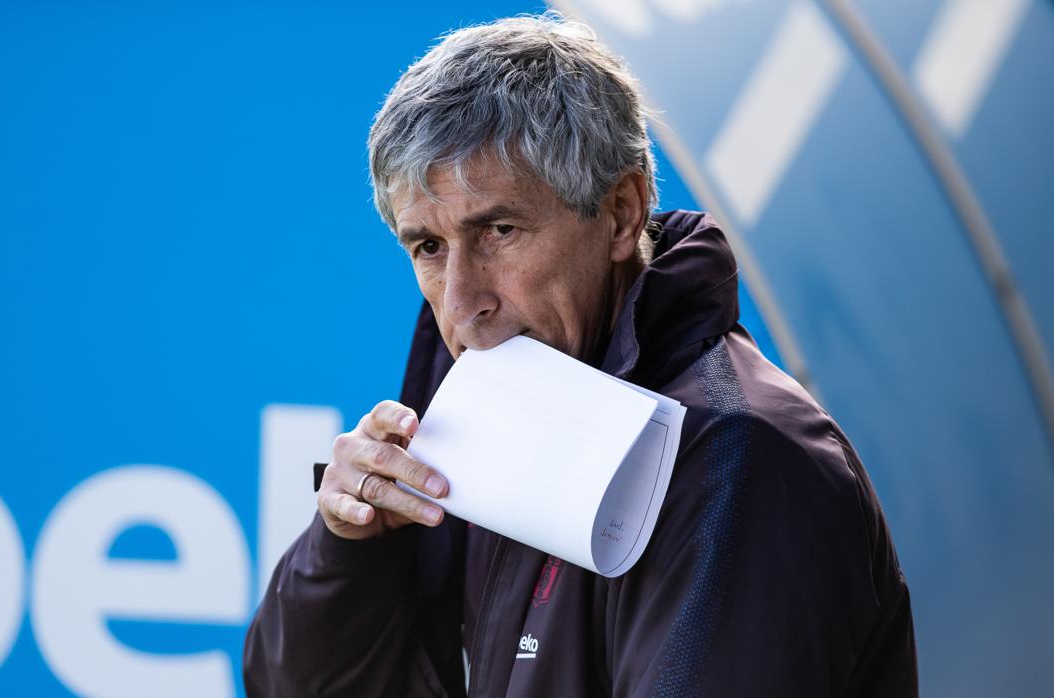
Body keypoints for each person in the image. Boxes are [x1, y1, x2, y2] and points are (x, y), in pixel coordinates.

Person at [244, 13, 916, 697]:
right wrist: (348, 551)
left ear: (621, 213)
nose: (459, 302)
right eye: (428, 247)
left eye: (499, 230)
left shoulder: (739, 464)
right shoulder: (484, 423)